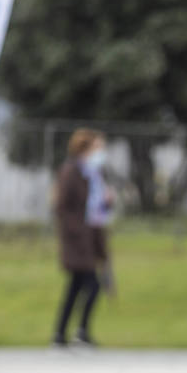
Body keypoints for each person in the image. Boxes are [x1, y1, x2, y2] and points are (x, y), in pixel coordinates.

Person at [52, 128, 112, 347]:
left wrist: (108, 201)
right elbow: (61, 207)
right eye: (98, 147)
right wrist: (76, 233)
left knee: (75, 287)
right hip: (77, 241)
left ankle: (61, 334)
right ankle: (80, 331)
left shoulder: (93, 174)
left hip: (91, 238)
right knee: (92, 285)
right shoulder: (71, 172)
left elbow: (96, 209)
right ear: (84, 149)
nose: (102, 152)